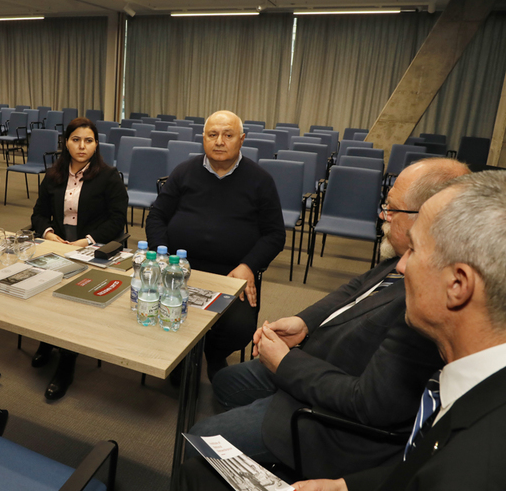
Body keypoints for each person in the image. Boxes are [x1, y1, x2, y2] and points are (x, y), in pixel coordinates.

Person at [181, 158, 470, 488]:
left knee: (200, 439)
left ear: (425, 216)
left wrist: (286, 365)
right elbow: (354, 290)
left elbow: (368, 402)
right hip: (311, 362)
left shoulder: (426, 301)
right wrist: (303, 322)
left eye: (391, 209)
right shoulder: (402, 257)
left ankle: (274, 447)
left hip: (328, 409)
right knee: (225, 383)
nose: (382, 215)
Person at [292, 170, 506, 491]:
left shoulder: (477, 464)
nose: (402, 266)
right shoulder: (473, 392)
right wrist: (347, 487)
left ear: (458, 285)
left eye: (414, 250)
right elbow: (423, 467)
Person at [146, 110, 286, 379]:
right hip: (180, 269)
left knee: (238, 329)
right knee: (152, 303)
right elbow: (156, 217)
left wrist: (249, 266)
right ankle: (182, 354)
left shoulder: (260, 180)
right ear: (203, 139)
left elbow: (274, 234)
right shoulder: (183, 172)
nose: (219, 141)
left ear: (241, 139)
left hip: (232, 274)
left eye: (228, 135)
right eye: (213, 135)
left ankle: (212, 352)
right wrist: (163, 256)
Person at [30, 117, 128, 400]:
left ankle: (67, 361)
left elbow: (117, 220)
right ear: (66, 143)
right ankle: (46, 339)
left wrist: (85, 241)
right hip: (57, 246)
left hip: (91, 249)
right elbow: (38, 213)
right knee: (41, 292)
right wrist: (49, 234)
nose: (82, 146)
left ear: (96, 145)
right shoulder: (53, 175)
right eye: (76, 140)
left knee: (72, 300)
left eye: (88, 140)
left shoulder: (108, 176)